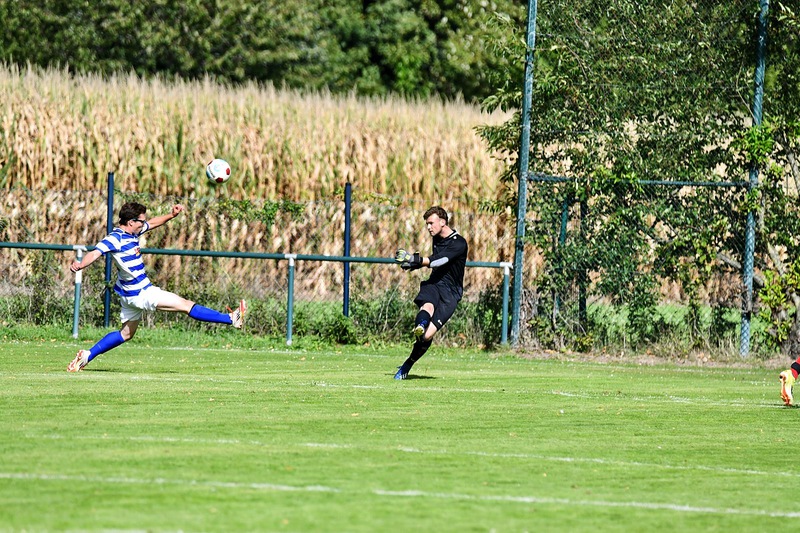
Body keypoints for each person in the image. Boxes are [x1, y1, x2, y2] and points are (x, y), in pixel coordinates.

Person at [67, 202, 247, 372]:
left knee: (126, 334)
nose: (144, 224)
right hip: (141, 292)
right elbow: (95, 253)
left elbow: (153, 223)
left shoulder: (133, 232)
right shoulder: (115, 238)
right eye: (141, 221)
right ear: (131, 222)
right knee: (185, 305)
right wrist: (81, 264)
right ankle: (231, 318)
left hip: (129, 294)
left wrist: (171, 215)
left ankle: (87, 355)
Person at [393, 206, 468, 379]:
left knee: (427, 337)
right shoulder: (436, 237)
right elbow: (435, 265)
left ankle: (408, 363)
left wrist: (414, 259)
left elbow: (439, 261)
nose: (428, 227)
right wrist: (414, 265)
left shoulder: (459, 243)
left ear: (442, 222)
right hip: (434, 283)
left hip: (451, 293)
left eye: (431, 223)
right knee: (427, 306)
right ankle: (420, 325)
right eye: (427, 224)